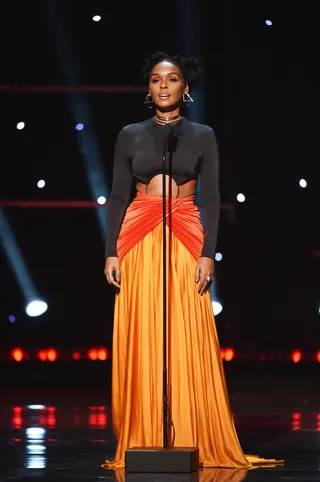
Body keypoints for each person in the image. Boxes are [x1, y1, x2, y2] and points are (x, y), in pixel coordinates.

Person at [102, 52, 283, 470]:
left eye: (172, 78)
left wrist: (208, 254)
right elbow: (116, 195)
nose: (163, 85)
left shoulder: (203, 135)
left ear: (186, 87)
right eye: (155, 79)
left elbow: (213, 197)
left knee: (185, 326)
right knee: (145, 327)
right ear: (148, 90)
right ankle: (145, 434)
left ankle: (188, 430)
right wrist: (111, 250)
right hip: (140, 233)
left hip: (184, 230)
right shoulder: (130, 134)